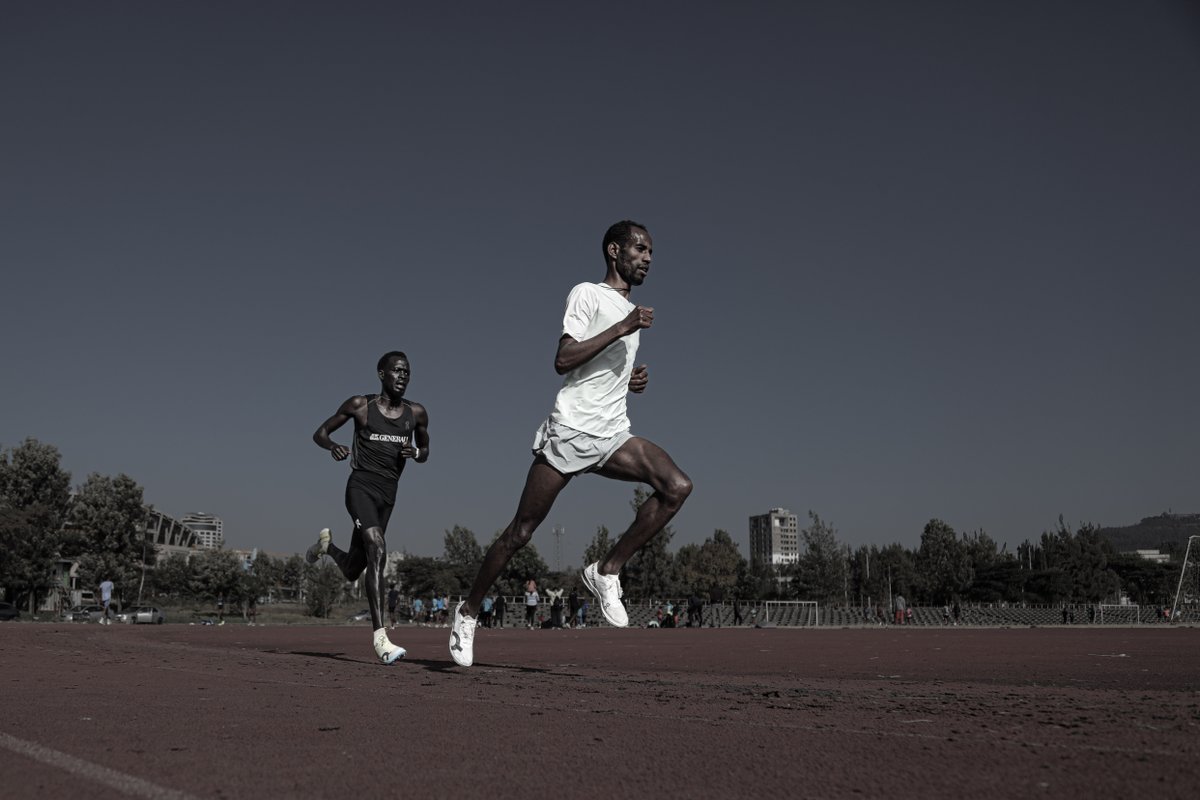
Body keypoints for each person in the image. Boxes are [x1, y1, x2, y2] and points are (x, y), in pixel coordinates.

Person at [449, 220, 692, 667]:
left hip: (613, 433)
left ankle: (607, 570)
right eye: (640, 249)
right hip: (570, 431)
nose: (648, 258)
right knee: (520, 532)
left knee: (676, 486)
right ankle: (467, 613)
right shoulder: (587, 294)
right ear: (614, 250)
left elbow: (598, 372)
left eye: (652, 252)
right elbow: (564, 359)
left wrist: (630, 381)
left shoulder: (629, 312)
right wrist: (622, 327)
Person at [305, 350, 430, 664]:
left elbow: (426, 450)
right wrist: (333, 446)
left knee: (352, 570)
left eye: (407, 372)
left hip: (388, 496)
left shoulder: (416, 413)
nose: (403, 377)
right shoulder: (361, 406)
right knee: (378, 547)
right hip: (360, 487)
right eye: (397, 371)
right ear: (381, 374)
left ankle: (325, 548)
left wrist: (415, 452)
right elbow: (320, 433)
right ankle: (381, 638)